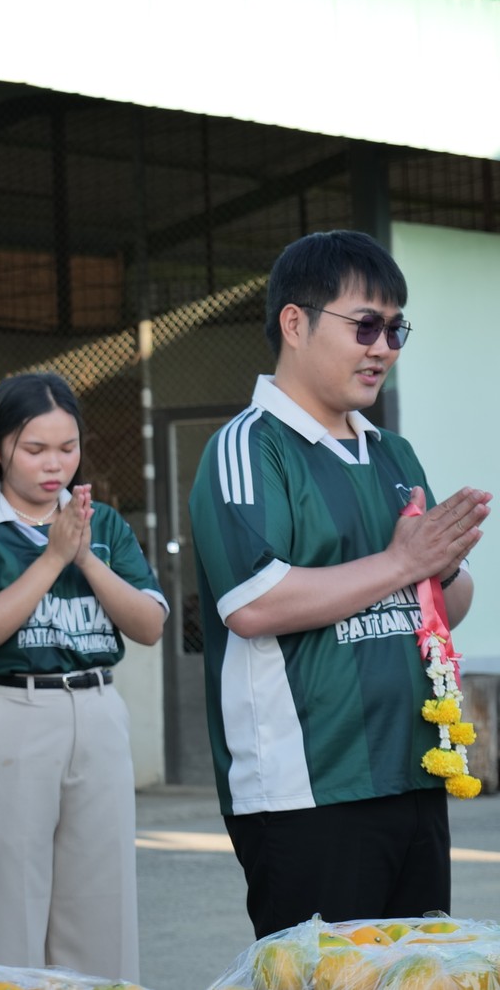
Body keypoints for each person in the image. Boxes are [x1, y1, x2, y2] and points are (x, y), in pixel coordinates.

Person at [190, 230, 489, 936]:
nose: (382, 346)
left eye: (395, 327)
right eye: (364, 324)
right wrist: (403, 563)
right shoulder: (248, 444)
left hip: (413, 772)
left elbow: (451, 601)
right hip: (307, 791)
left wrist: (441, 564)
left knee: (418, 977)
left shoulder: (393, 450)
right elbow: (253, 603)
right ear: (295, 323)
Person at [0, 372, 167, 981]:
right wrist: (55, 556)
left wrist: (84, 554)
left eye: (67, 448)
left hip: (96, 710)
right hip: (12, 714)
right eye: (35, 449)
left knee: (101, 905)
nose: (54, 465)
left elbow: (148, 624)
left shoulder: (103, 526)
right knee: (7, 907)